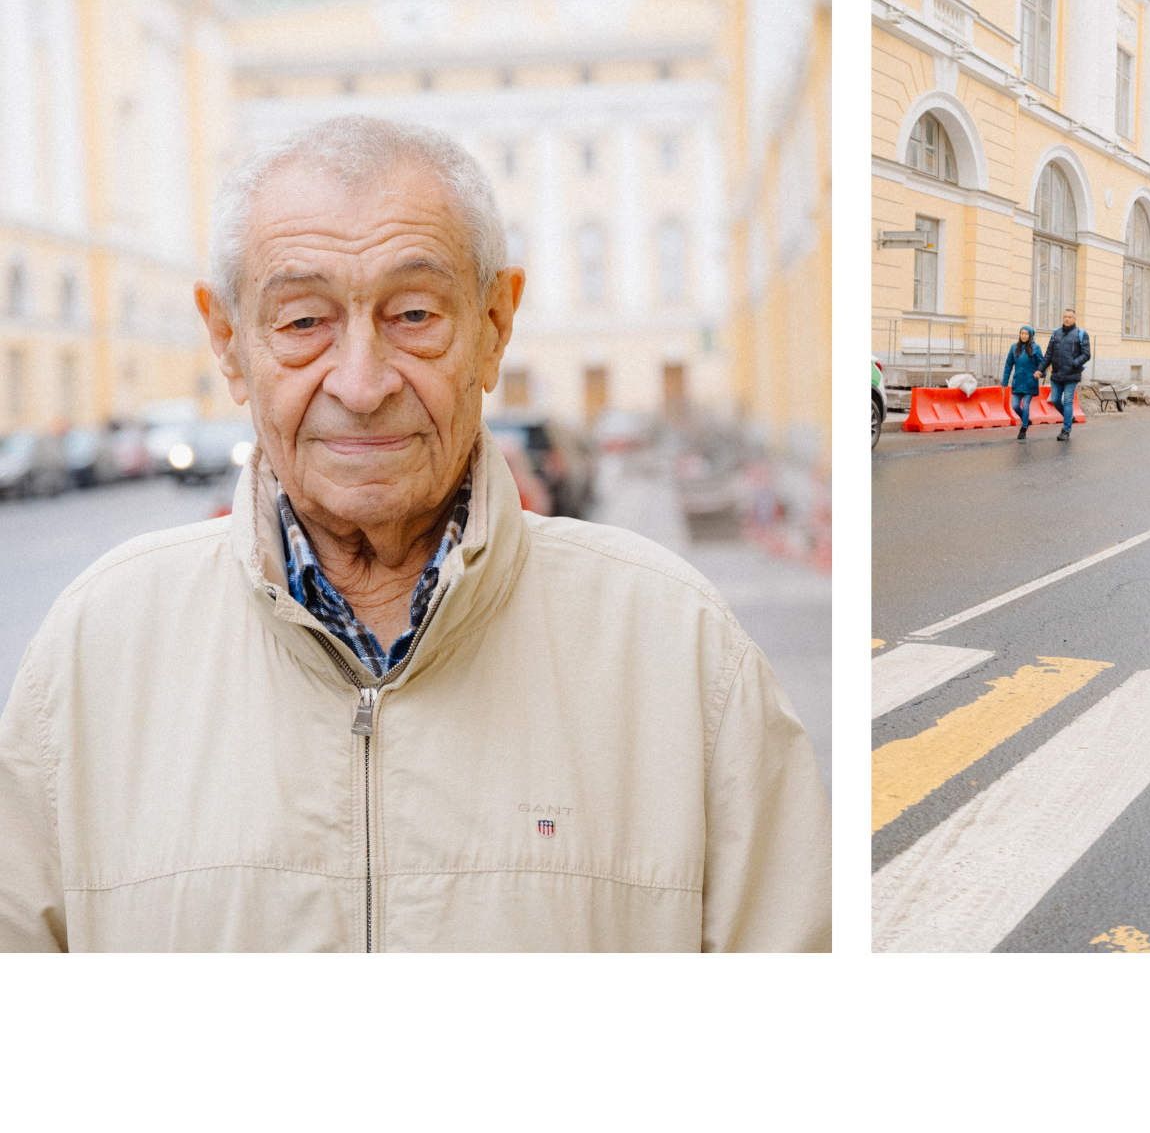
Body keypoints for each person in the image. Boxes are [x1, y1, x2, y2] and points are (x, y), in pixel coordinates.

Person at [0, 115, 830, 952]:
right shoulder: (93, 653)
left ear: (494, 326)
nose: (361, 384)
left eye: (413, 313)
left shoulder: (678, 648)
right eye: (301, 323)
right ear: (229, 340)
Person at [1043, 308, 1091, 441]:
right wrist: (1040, 369)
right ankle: (1069, 417)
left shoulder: (1081, 334)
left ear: (1074, 319)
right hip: (1057, 373)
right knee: (1055, 400)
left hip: (1072, 374)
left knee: (1068, 401)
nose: (1067, 319)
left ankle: (1066, 430)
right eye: (1065, 317)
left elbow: (1086, 354)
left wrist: (1074, 363)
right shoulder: (1056, 334)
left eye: (1070, 317)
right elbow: (1048, 354)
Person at [1003, 325, 1044, 440]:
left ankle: (1023, 429)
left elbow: (1041, 363)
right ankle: (1026, 420)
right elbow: (1008, 365)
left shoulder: (1036, 348)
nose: (1024, 336)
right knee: (1015, 405)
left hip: (1030, 381)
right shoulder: (1014, 347)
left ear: (1030, 335)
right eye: (1022, 333)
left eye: (1026, 334)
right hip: (1017, 381)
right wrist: (1005, 380)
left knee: (1025, 405)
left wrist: (1041, 373)